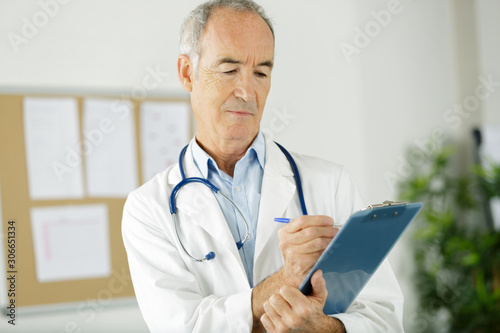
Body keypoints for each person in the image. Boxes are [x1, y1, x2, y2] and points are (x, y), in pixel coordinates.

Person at [122, 0, 404, 332]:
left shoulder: (330, 184)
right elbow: (183, 326)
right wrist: (289, 278)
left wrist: (326, 329)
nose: (247, 91)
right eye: (229, 70)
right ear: (187, 73)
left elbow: (385, 317)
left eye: (261, 72)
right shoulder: (149, 209)